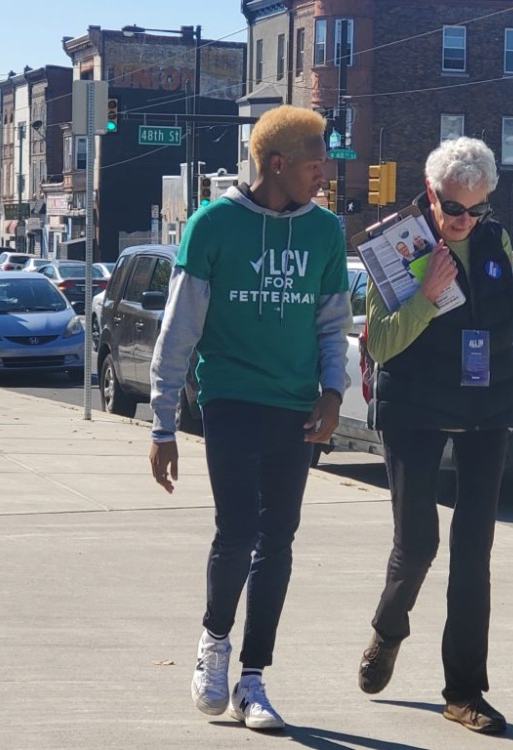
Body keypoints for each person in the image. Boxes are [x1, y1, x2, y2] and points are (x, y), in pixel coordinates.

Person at [357, 137, 513, 735]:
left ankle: (464, 690)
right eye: (455, 209)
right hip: (415, 408)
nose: (465, 221)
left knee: (473, 554)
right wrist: (426, 297)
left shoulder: (494, 243)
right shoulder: (396, 247)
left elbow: (497, 339)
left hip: (486, 408)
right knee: (419, 544)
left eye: (478, 211)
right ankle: (388, 629)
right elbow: (378, 345)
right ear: (431, 194)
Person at [148, 105, 352, 732]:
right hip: (231, 398)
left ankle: (254, 679)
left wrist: (333, 393)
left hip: (296, 405)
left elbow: (332, 322)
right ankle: (214, 644)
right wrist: (161, 424)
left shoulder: (326, 232)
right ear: (278, 163)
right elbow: (180, 329)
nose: (325, 175)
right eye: (316, 164)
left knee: (279, 541)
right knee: (237, 529)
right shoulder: (213, 226)